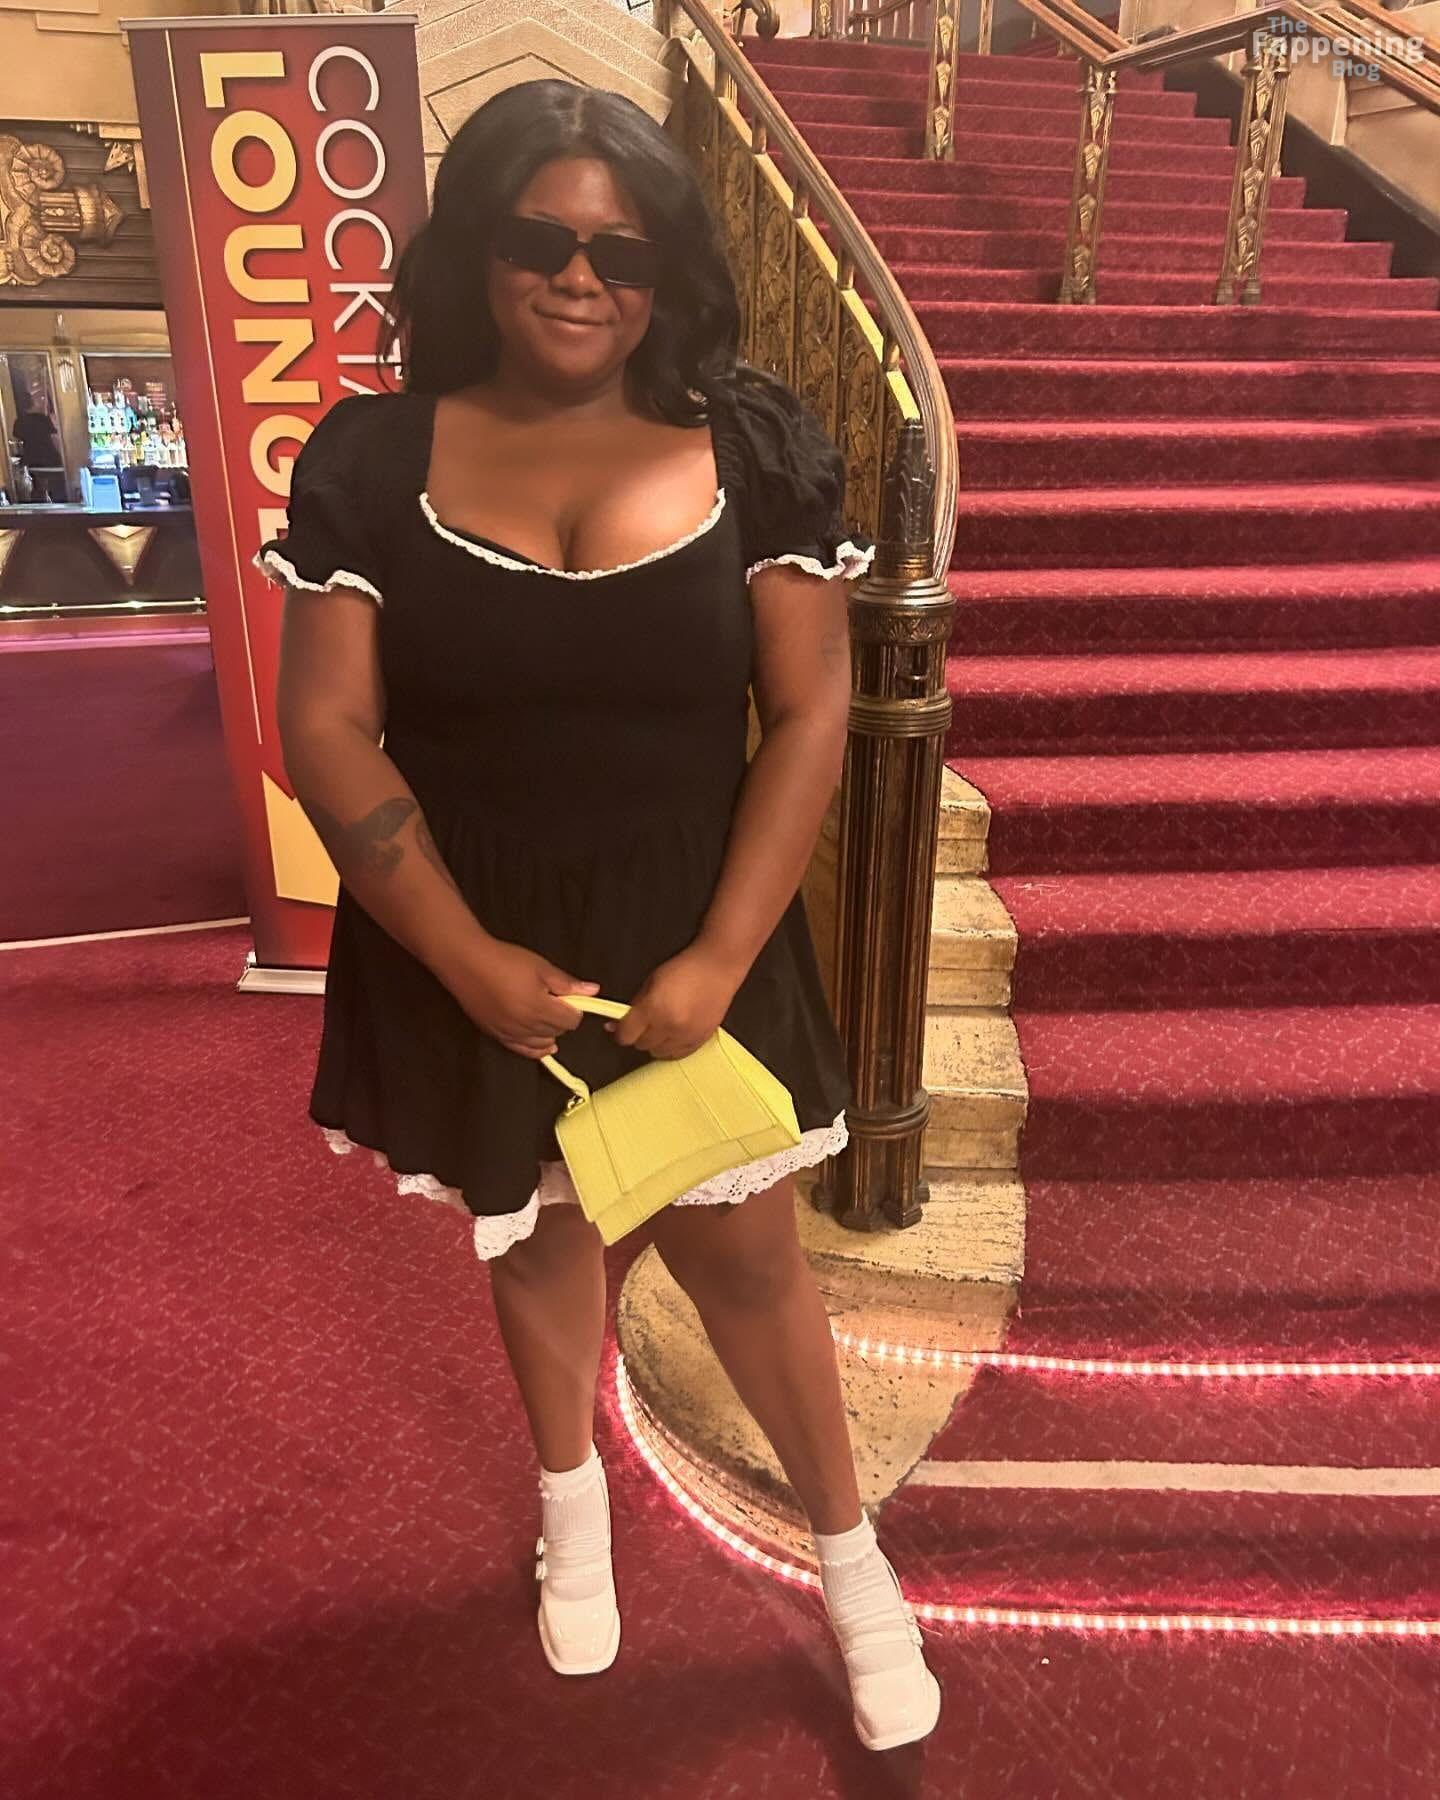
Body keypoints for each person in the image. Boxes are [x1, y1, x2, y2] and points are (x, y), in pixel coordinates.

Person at [259, 78, 942, 1752]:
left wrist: (720, 956)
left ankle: (851, 1558)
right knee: (539, 1229)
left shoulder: (753, 445)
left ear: (669, 268)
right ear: (474, 253)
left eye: (622, 252)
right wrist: (461, 957)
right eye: (539, 240)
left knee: (747, 1259)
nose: (580, 279)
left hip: (693, 913)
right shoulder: (373, 458)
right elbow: (328, 727)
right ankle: (572, 1501)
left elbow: (810, 713)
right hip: (469, 923)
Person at [13, 398, 66, 503]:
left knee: (37, 486)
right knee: (55, 486)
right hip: (49, 457)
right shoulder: (42, 418)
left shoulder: (19, 421)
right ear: (32, 404)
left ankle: (39, 501)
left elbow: (16, 437)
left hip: (31, 458)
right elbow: (54, 434)